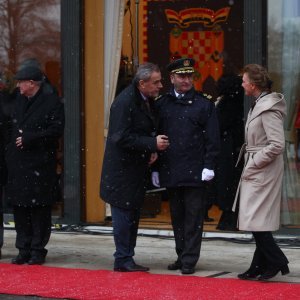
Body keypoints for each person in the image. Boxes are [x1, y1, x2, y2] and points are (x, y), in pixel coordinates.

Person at [152, 58, 220, 274]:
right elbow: (155, 136)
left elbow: (213, 139)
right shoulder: (161, 103)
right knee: (177, 216)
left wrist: (209, 165)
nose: (186, 80)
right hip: (172, 168)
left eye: (189, 76)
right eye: (182, 76)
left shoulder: (204, 103)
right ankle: (182, 255)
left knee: (193, 217)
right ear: (172, 78)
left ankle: (190, 259)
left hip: (195, 169)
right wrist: (155, 168)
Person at [100, 62, 169, 272]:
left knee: (132, 215)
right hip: (122, 172)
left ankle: (126, 256)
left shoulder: (144, 100)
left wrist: (151, 150)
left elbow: (142, 129)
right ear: (142, 83)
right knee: (124, 216)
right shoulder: (125, 102)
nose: (160, 86)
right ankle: (122, 258)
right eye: (156, 82)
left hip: (133, 169)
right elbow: (120, 137)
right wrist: (151, 144)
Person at [233, 64, 289, 281]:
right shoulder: (259, 104)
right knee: (257, 220)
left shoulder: (267, 107)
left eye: (244, 80)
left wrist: (254, 162)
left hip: (263, 170)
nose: (242, 84)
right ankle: (259, 265)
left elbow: (277, 145)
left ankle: (277, 260)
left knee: (257, 220)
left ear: (253, 84)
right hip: (258, 168)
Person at [5, 65, 65, 265]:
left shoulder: (52, 102)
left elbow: (56, 130)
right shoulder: (18, 100)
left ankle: (38, 250)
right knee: (20, 209)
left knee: (39, 210)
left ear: (32, 83)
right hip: (18, 165)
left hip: (40, 164)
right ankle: (23, 249)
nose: (18, 86)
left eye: (21, 82)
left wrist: (31, 138)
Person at [214, 74, 244, 231]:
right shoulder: (235, 101)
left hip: (229, 150)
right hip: (231, 149)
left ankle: (229, 219)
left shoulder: (230, 103)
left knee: (229, 184)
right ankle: (229, 218)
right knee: (230, 185)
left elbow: (220, 124)